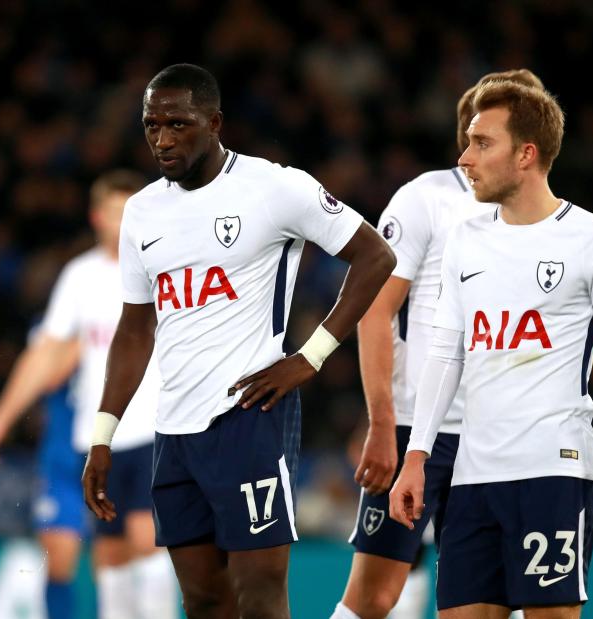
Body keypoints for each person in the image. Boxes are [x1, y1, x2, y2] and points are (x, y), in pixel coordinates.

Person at [81, 63, 395, 619]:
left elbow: (375, 256)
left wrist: (310, 356)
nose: (162, 139)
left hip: (250, 415)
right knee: (202, 599)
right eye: (152, 126)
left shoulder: (275, 187)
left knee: (258, 592)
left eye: (177, 125)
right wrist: (103, 434)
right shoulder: (142, 212)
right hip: (173, 429)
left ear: (214, 122)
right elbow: (135, 329)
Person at [389, 79, 593, 618]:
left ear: (526, 154)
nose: (465, 157)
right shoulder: (465, 238)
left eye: (483, 143)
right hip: (472, 476)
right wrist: (416, 455)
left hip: (553, 471)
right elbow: (445, 355)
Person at [332, 69, 544, 619]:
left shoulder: (541, 220)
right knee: (375, 596)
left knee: (481, 605)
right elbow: (375, 312)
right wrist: (381, 423)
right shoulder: (426, 199)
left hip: (497, 438)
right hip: (418, 428)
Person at [0, 170, 176, 619]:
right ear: (96, 218)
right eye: (114, 214)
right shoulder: (80, 277)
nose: (123, 225)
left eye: (131, 213)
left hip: (154, 428)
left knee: (150, 541)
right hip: (96, 436)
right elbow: (47, 355)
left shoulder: (168, 269)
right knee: (111, 554)